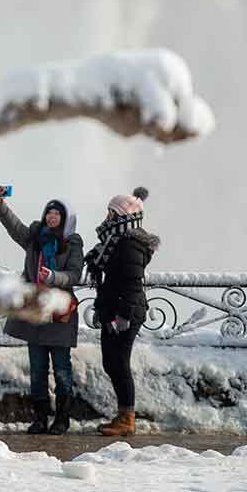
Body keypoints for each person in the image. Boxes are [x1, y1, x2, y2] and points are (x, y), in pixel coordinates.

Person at [0, 186, 84, 435]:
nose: (51, 217)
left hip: (59, 313)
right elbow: (14, 227)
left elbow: (75, 274)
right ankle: (40, 418)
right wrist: (0, 205)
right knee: (38, 371)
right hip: (36, 313)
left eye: (56, 214)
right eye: (49, 213)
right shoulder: (35, 238)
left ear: (65, 219)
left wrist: (54, 276)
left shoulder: (72, 243)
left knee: (62, 369)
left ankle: (62, 419)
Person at [84, 186, 160, 437]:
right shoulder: (114, 241)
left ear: (123, 217)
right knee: (112, 362)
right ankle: (124, 415)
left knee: (119, 363)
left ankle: (127, 419)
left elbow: (131, 283)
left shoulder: (128, 245)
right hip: (114, 308)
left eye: (111, 213)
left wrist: (123, 317)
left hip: (125, 312)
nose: (107, 217)